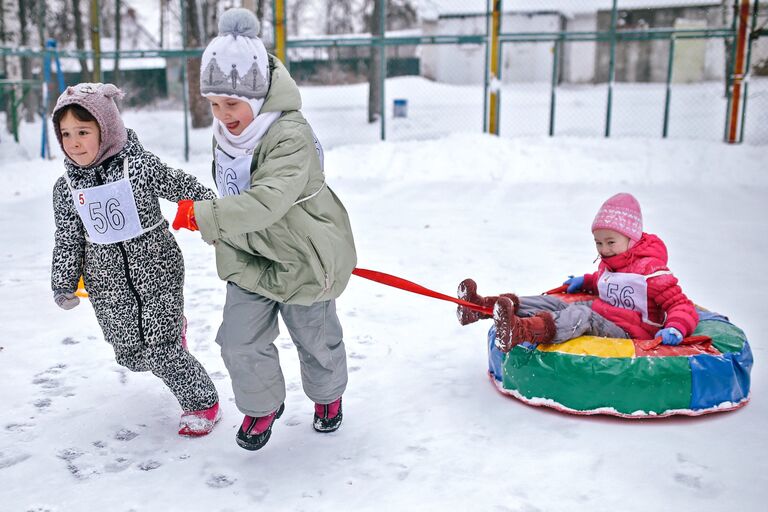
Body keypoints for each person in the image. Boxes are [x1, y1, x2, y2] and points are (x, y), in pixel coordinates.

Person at [172, 8, 357, 451]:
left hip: (302, 255)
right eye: (213, 104)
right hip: (249, 254)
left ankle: (328, 396)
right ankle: (261, 405)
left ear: (256, 96)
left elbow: (269, 199)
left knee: (315, 338)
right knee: (238, 340)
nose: (222, 114)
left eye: (231, 103)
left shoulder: (289, 134)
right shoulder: (230, 130)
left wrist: (206, 216)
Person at [50, 83, 221, 436]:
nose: (74, 142)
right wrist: (63, 282)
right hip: (106, 283)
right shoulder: (66, 188)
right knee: (130, 353)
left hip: (157, 267)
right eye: (66, 134)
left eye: (83, 132)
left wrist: (216, 216)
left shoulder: (138, 167)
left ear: (106, 129)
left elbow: (182, 186)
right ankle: (171, 339)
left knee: (162, 349)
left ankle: (202, 402)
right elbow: (67, 238)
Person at [457, 193, 699, 352]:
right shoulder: (611, 262)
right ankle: (481, 307)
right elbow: (605, 282)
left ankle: (521, 331)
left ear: (632, 239)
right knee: (553, 302)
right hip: (604, 312)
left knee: (582, 314)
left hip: (630, 331)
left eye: (610, 242)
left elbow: (681, 305)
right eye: (598, 243)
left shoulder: (652, 273)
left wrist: (676, 328)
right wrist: (585, 281)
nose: (604, 249)